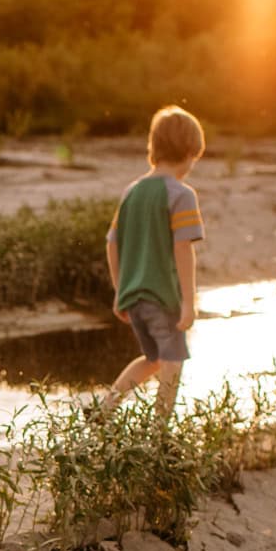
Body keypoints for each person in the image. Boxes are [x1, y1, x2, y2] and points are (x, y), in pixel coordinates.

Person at [105, 105, 207, 421]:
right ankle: (159, 436)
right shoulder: (181, 194)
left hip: (134, 296)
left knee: (153, 359)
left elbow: (111, 244)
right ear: (190, 151)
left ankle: (105, 410)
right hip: (161, 296)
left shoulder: (132, 192)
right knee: (173, 361)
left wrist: (120, 290)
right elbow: (183, 249)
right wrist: (189, 303)